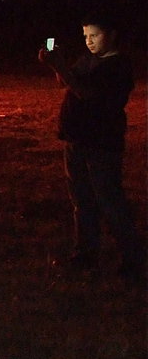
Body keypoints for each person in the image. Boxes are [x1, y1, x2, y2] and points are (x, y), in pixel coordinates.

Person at [39, 17, 145, 281]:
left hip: (101, 143)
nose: (89, 41)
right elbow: (67, 83)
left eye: (95, 36)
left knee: (109, 201)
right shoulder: (88, 59)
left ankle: (132, 259)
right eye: (86, 36)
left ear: (111, 35)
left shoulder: (118, 65)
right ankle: (85, 254)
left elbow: (86, 92)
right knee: (82, 201)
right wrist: (57, 66)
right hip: (76, 139)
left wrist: (61, 66)